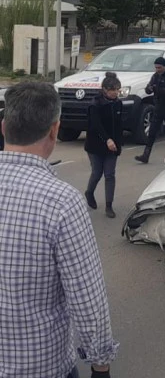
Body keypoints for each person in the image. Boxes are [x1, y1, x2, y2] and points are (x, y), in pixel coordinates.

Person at [0, 81, 118, 377]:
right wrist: (100, 365)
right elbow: (87, 298)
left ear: (4, 127)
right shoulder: (62, 202)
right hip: (39, 367)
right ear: (54, 130)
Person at [84, 71, 123, 218]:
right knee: (97, 172)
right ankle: (89, 192)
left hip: (112, 146)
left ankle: (109, 206)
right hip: (96, 145)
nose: (115, 93)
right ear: (104, 89)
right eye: (113, 90)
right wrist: (107, 139)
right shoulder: (95, 104)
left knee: (110, 174)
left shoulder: (118, 103)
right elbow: (96, 126)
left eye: (117, 89)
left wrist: (118, 144)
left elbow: (119, 126)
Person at [135, 56, 165, 164]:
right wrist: (149, 89)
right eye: (156, 67)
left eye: (159, 67)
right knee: (152, 133)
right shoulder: (155, 76)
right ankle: (145, 155)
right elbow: (149, 89)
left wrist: (158, 89)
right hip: (158, 108)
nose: (157, 70)